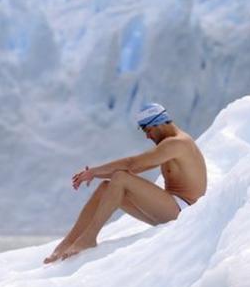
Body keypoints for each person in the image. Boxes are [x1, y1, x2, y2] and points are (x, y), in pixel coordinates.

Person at [43, 103, 207, 264]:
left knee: (120, 178)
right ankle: (68, 241)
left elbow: (131, 165)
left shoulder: (177, 143)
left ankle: (89, 238)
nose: (147, 136)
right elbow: (137, 169)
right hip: (170, 208)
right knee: (106, 187)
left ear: (158, 123)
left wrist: (94, 171)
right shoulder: (169, 145)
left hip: (184, 211)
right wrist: (94, 175)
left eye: (147, 130)